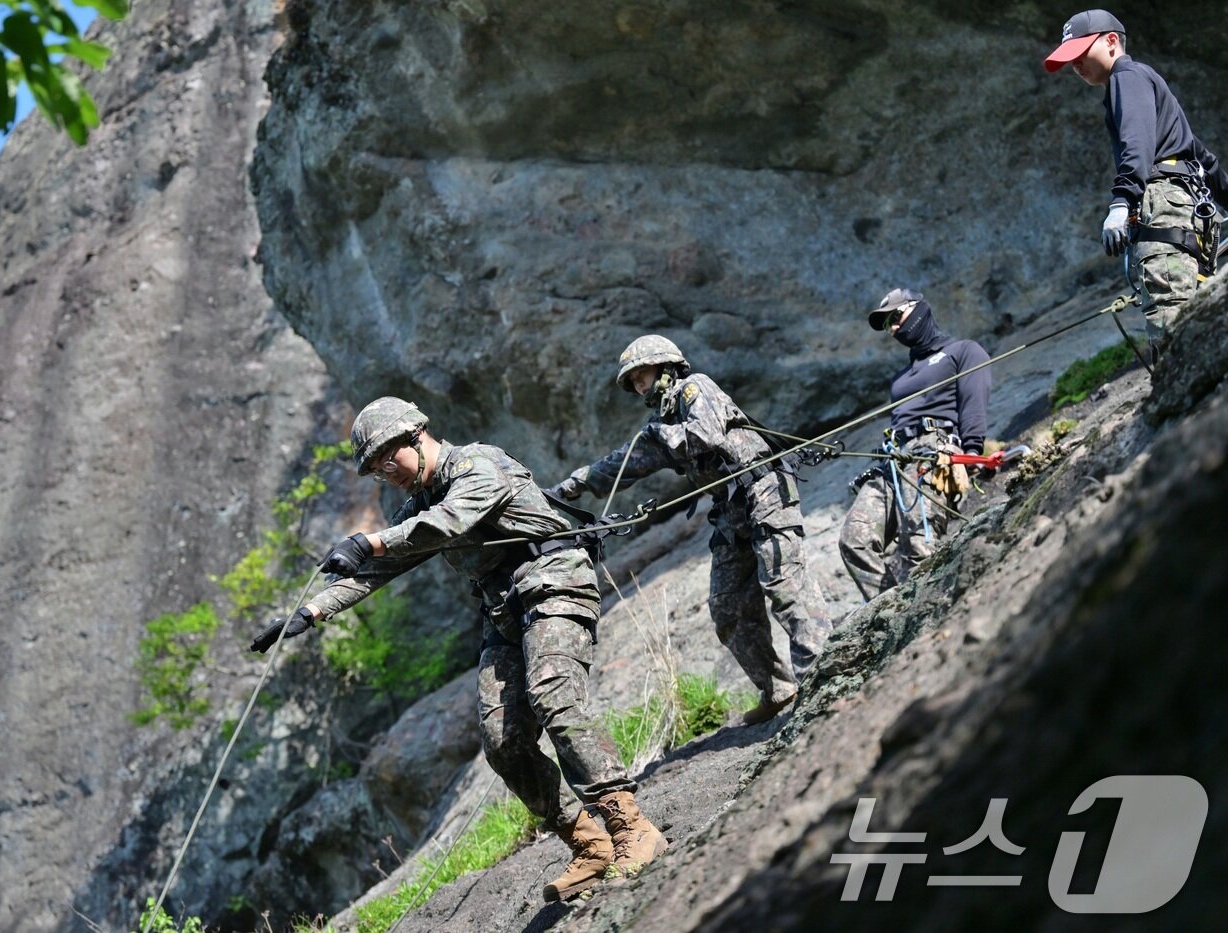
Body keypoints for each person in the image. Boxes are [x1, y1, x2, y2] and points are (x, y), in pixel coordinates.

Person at [250, 397, 666, 902]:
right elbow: (375, 569)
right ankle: (588, 843)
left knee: (553, 694)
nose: (386, 473)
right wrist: (310, 613)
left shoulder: (478, 464)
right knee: (502, 740)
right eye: (375, 470)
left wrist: (372, 540)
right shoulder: (419, 503)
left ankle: (632, 828)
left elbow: (447, 524)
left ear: (414, 437)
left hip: (555, 582)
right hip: (505, 611)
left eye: (387, 459)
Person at [549, 336, 832, 727]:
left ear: (665, 367)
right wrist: (571, 486)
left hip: (763, 490)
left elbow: (707, 434)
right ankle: (778, 689)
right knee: (727, 606)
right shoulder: (659, 423)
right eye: (631, 381)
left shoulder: (695, 389)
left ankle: (825, 671)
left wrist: (659, 436)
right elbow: (621, 464)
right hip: (731, 510)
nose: (638, 385)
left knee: (784, 584)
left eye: (641, 374)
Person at [1044, 9, 1226, 349]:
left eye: (1081, 53)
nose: (1076, 65)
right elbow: (1202, 158)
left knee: (1173, 326)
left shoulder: (1125, 77)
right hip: (1188, 212)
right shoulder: (1146, 82)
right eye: (1071, 60)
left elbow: (1136, 144)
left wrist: (1121, 201)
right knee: (1197, 316)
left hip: (1164, 211)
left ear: (1111, 41)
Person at [838, 289, 992, 601]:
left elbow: (973, 404)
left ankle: (931, 613)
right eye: (887, 325)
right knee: (854, 540)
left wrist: (971, 453)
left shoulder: (962, 351)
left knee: (920, 546)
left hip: (933, 454)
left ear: (919, 309)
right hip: (894, 461)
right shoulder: (900, 378)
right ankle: (892, 610)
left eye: (896, 317)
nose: (893, 328)